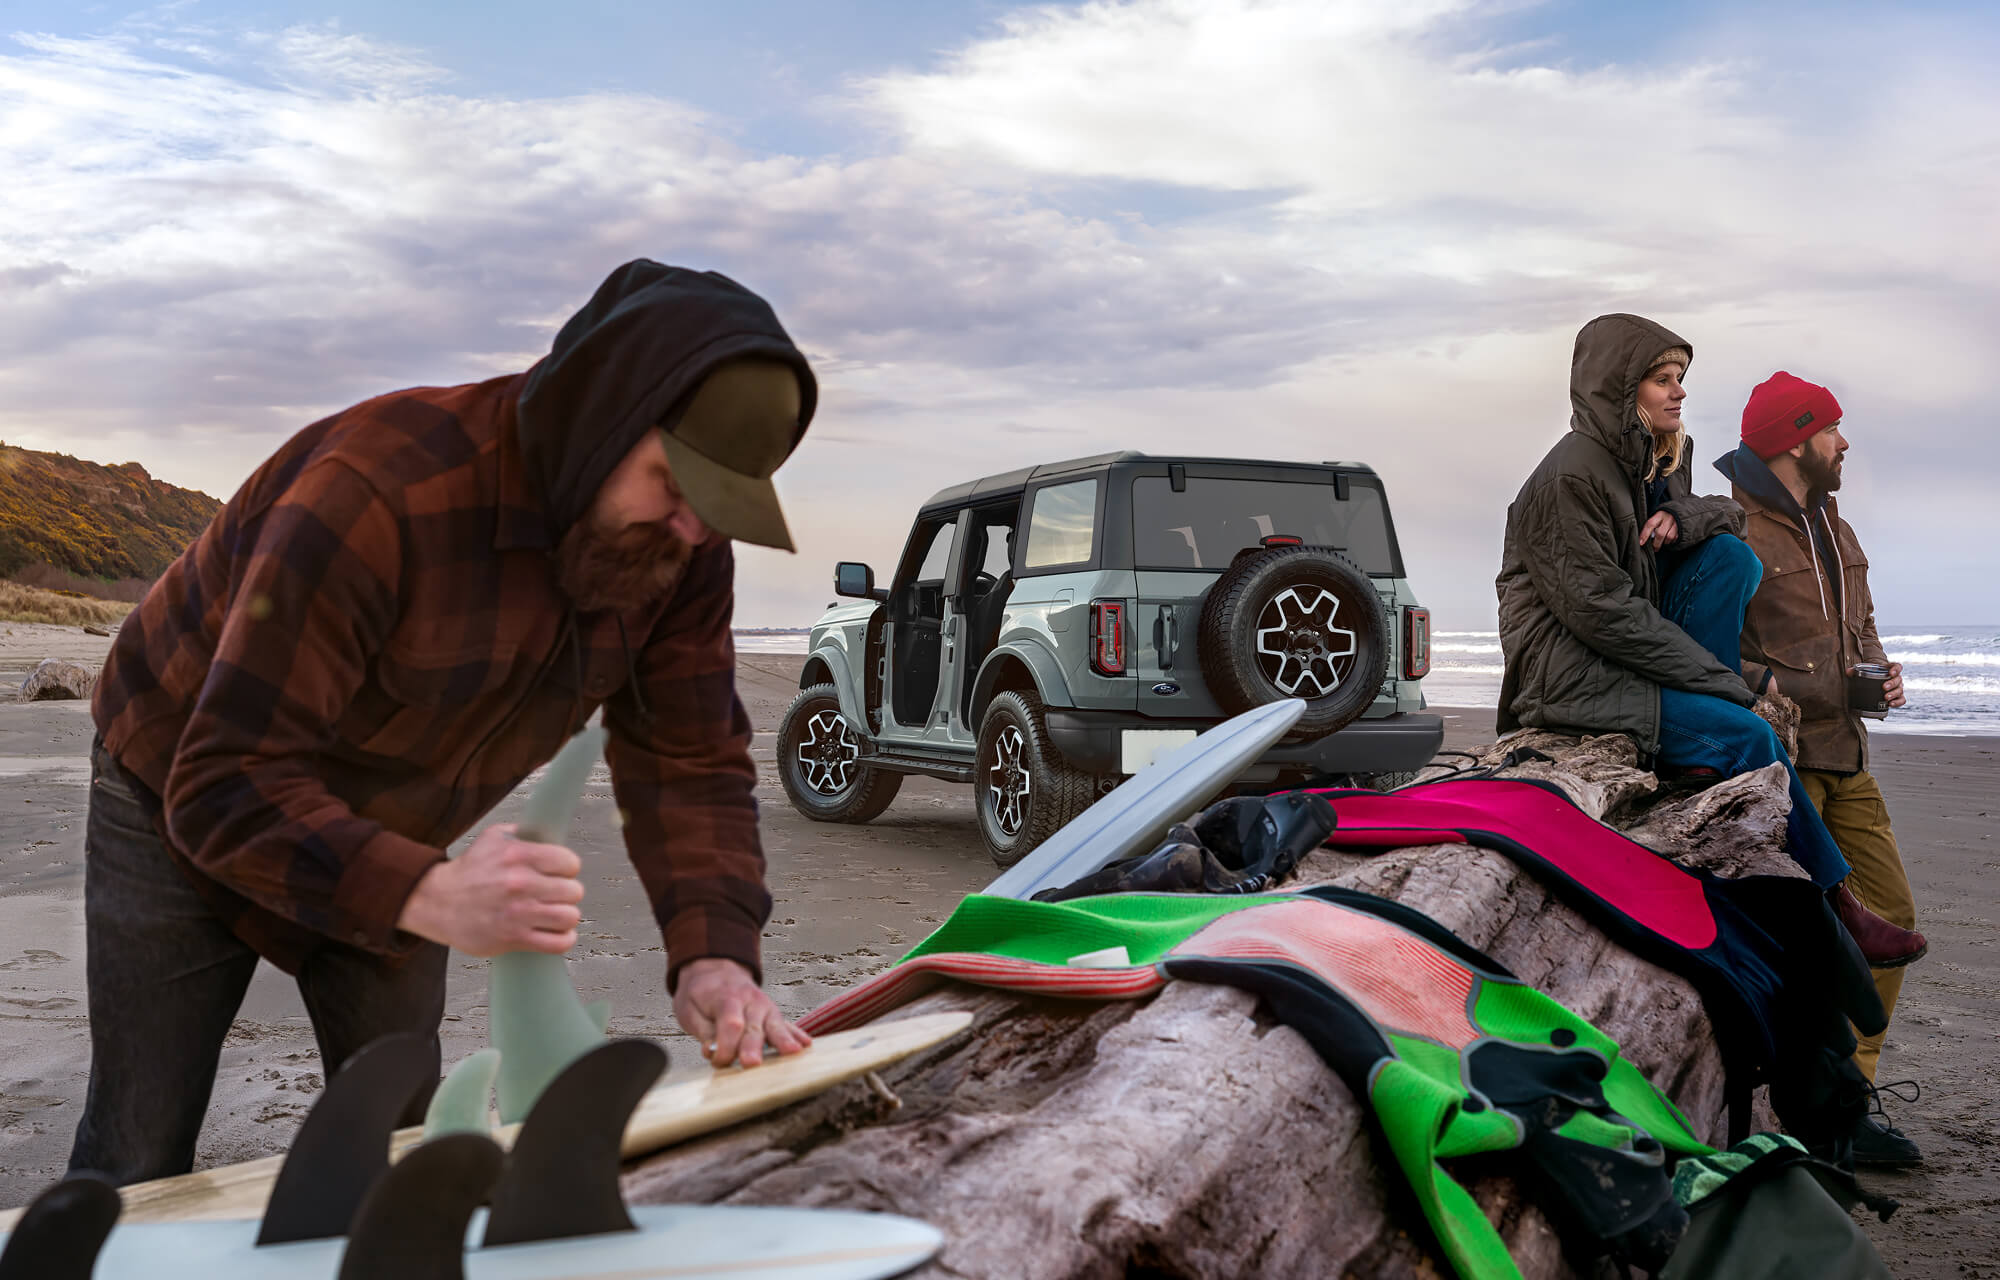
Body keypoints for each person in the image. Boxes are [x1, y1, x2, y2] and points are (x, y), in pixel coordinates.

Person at [70, 260, 816, 1186]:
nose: (692, 531)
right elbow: (223, 784)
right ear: (598, 417)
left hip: (387, 828)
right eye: (674, 484)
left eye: (719, 509)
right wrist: (433, 894)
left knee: (403, 1141)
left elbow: (690, 760)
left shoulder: (677, 548)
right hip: (177, 789)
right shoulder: (378, 489)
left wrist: (714, 954)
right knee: (140, 1146)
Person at [1495, 314, 1922, 964]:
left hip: (1635, 663)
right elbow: (1604, 616)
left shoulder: (1655, 461)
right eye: (1662, 380)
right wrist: (1728, 687)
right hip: (1579, 678)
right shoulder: (1568, 481)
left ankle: (1709, 734)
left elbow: (1727, 516)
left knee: (1730, 556)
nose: (1679, 392)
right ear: (1619, 389)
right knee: (1752, 732)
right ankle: (1836, 905)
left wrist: (1679, 511)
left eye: (1680, 378)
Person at [1717, 371, 1927, 1166]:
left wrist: (1880, 671)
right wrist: (1773, 686)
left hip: (1848, 757)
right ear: (1794, 439)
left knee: (1891, 921)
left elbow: (1860, 631)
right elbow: (1709, 652)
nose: (1844, 443)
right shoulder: (1731, 529)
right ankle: (1806, 1107)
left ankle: (1850, 1097)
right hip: (1783, 766)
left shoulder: (1834, 526)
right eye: (1833, 430)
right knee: (1799, 946)